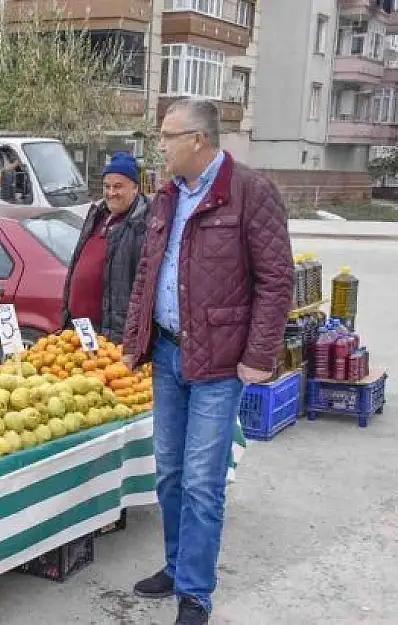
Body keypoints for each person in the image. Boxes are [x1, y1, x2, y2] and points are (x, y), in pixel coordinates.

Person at [121, 99, 294, 625]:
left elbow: (276, 280)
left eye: (169, 136)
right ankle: (176, 567)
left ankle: (195, 593)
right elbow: (148, 274)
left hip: (220, 363)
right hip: (168, 352)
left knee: (201, 480)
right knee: (170, 473)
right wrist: (135, 340)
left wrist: (259, 355)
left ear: (198, 139)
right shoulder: (167, 196)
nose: (162, 146)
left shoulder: (250, 191)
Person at [60, 151, 149, 342]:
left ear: (135, 188)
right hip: (78, 330)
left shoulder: (142, 225)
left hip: (110, 336)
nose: (110, 193)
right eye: (106, 186)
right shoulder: (96, 216)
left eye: (118, 187)